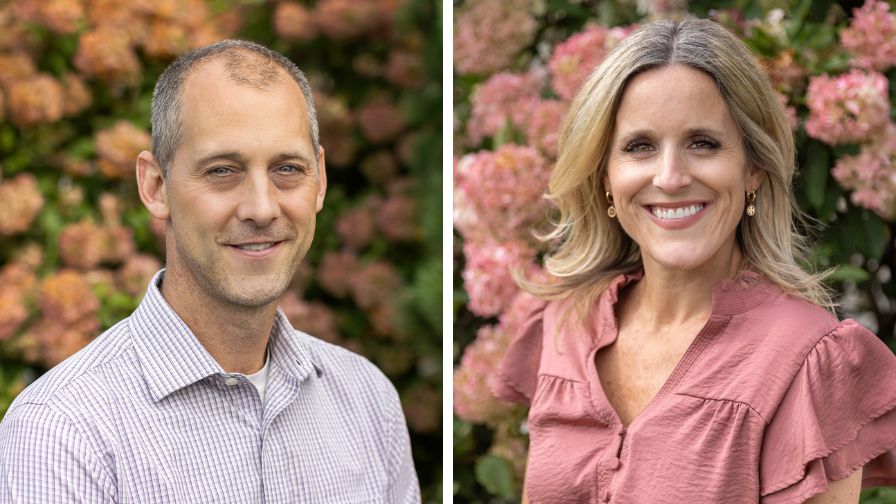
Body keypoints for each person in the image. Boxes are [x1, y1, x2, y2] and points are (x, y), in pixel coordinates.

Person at [492, 19, 896, 504]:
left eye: (702, 143)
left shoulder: (808, 359)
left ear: (753, 169)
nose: (670, 176)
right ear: (605, 177)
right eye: (639, 147)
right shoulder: (563, 326)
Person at [0, 40, 420, 503]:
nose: (261, 208)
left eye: (287, 168)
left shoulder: (366, 398)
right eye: (223, 171)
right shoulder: (62, 432)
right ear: (156, 185)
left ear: (319, 179)